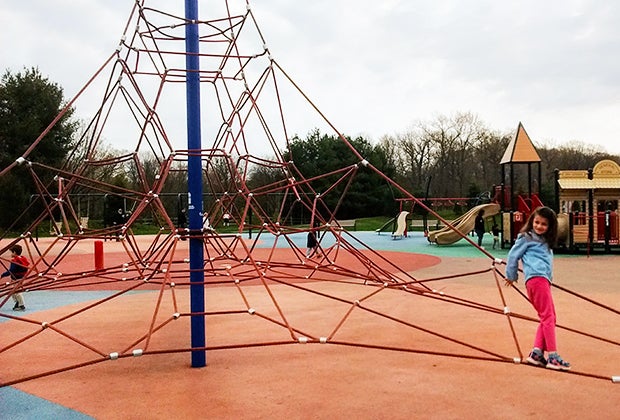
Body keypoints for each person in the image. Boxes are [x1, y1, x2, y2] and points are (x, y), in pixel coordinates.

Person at [505, 206, 571, 371]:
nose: (539, 226)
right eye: (537, 222)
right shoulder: (526, 237)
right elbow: (513, 256)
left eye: (544, 224)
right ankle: (553, 356)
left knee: (548, 317)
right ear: (531, 221)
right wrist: (511, 275)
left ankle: (536, 353)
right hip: (536, 279)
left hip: (541, 281)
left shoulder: (544, 241)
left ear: (550, 227)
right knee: (548, 317)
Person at [2, 244, 29, 311]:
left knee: (16, 291)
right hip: (20, 277)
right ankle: (17, 302)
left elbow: (11, 270)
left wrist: (3, 274)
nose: (10, 254)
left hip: (16, 278)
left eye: (11, 252)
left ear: (14, 252)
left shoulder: (15, 260)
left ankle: (21, 305)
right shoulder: (23, 258)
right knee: (12, 290)